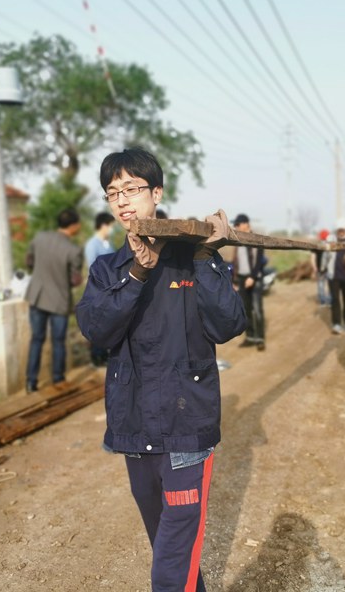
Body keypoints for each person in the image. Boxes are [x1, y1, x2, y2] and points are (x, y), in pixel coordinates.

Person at [76, 148, 246, 592]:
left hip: (186, 426)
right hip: (134, 427)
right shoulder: (108, 269)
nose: (123, 200)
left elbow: (228, 324)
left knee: (171, 561)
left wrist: (207, 257)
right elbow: (97, 329)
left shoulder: (192, 258)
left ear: (157, 193)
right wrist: (136, 273)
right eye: (113, 192)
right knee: (170, 548)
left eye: (132, 189)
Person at [24, 208, 84, 393]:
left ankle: (31, 382)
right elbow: (75, 280)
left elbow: (29, 262)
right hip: (59, 300)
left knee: (36, 339)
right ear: (74, 226)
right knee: (58, 341)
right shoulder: (74, 250)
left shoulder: (39, 238)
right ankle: (58, 379)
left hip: (37, 296)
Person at [84, 212, 116, 366]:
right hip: (99, 289)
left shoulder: (108, 244)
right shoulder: (92, 245)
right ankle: (97, 356)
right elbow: (92, 267)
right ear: (103, 225)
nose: (112, 229)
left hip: (110, 288)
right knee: (98, 323)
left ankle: (105, 355)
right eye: (111, 226)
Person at [231, 213, 266, 351]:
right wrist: (235, 280)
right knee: (245, 310)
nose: (236, 227)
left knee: (257, 310)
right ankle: (250, 337)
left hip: (254, 278)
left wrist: (252, 277)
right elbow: (236, 262)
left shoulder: (256, 239)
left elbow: (259, 261)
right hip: (241, 278)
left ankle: (260, 338)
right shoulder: (238, 240)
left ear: (246, 224)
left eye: (238, 224)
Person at [325, 224, 345, 334]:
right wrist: (323, 268)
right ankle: (336, 324)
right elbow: (325, 256)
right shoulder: (331, 240)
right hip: (334, 276)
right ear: (336, 230)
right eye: (339, 230)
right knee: (335, 300)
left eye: (343, 230)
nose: (341, 232)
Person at [310, 229, 331, 306]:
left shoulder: (316, 246)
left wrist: (314, 268)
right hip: (330, 269)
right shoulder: (331, 245)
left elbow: (312, 258)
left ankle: (323, 301)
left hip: (320, 269)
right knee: (330, 286)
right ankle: (329, 301)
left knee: (321, 285)